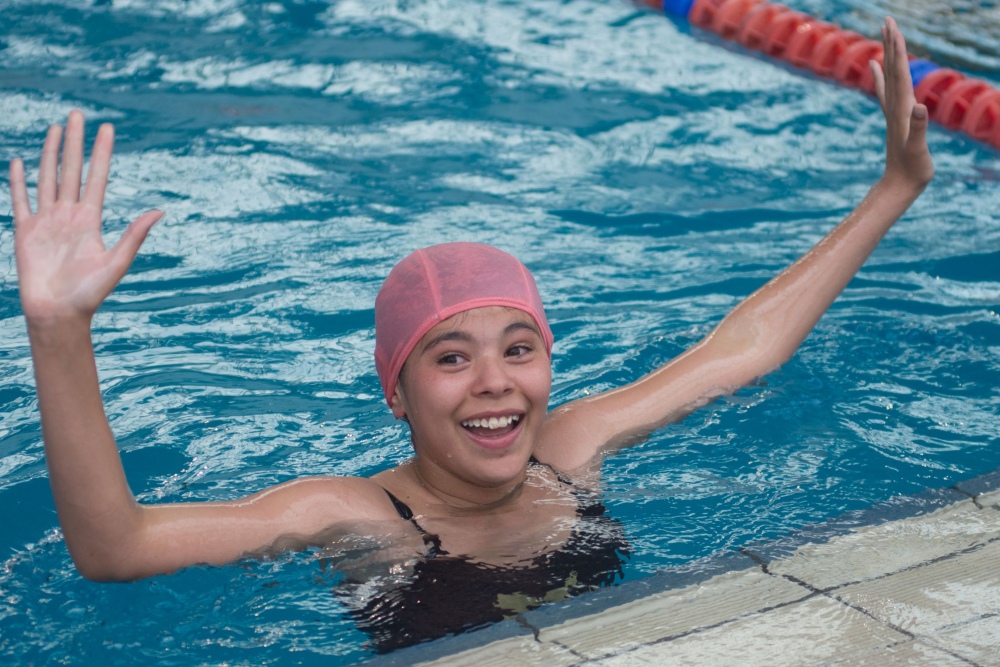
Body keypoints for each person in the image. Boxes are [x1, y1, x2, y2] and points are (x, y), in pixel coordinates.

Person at [8, 16, 931, 647]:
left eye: (517, 349)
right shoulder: (356, 515)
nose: (494, 381)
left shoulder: (570, 446)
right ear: (397, 394)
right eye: (452, 358)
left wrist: (892, 190)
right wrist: (57, 331)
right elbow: (116, 548)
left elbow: (743, 350)